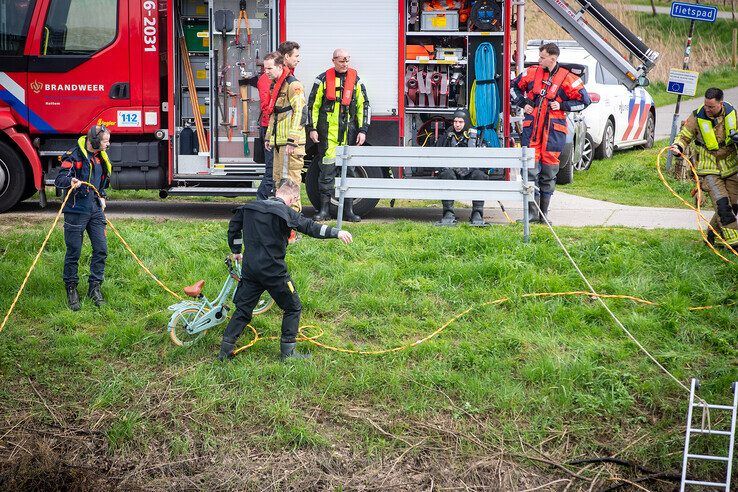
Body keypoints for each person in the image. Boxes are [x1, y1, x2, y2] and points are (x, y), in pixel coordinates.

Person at [218, 179, 353, 361]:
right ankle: (288, 353)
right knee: (293, 307)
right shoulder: (286, 212)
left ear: (276, 192)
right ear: (294, 197)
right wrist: (336, 232)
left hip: (251, 270)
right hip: (274, 272)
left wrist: (236, 251)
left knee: (243, 310)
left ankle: (225, 352)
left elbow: (233, 228)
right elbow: (310, 227)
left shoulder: (249, 208)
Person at [511, 42, 590, 223]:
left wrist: (562, 105)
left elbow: (585, 101)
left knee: (548, 174)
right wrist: (524, 104)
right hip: (531, 131)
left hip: (553, 133)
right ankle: (530, 215)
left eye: (542, 57)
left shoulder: (568, 79)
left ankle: (543, 215)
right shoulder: (531, 73)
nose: (539, 60)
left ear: (552, 59)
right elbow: (512, 88)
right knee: (529, 173)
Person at [307, 48, 370, 222]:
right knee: (326, 172)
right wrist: (312, 128)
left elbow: (363, 106)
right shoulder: (322, 80)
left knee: (349, 172)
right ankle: (324, 211)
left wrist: (363, 130)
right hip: (327, 135)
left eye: (347, 60)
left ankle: (348, 210)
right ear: (333, 60)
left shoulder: (355, 80)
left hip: (348, 135)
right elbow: (313, 105)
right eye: (342, 60)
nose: (345, 64)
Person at [54, 125, 112, 310]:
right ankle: (71, 289)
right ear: (93, 141)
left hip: (95, 210)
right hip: (75, 210)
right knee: (74, 252)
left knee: (101, 249)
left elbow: (102, 181)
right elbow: (59, 179)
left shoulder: (100, 158)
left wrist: (102, 196)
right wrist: (71, 181)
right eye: (105, 141)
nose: (108, 144)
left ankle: (94, 288)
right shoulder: (73, 155)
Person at [671, 87, 738, 247]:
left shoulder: (732, 113)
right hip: (708, 170)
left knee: (733, 205)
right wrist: (677, 147)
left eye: (711, 107)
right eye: (705, 106)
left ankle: (711, 236)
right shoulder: (697, 117)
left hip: (731, 167)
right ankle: (733, 244)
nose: (707, 109)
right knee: (723, 206)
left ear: (720, 104)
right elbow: (684, 135)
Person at [263, 51, 307, 212]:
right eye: (265, 68)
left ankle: (292, 228)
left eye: (269, 68)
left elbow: (300, 112)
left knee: (290, 184)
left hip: (290, 145)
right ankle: (283, 223)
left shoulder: (293, 85)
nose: (266, 72)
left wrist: (292, 140)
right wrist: (269, 137)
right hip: (279, 143)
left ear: (280, 66)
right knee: (279, 183)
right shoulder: (277, 85)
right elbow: (275, 114)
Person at [434, 109, 488, 226]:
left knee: (480, 175)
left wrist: (472, 168)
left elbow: (485, 162)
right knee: (447, 174)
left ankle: (477, 214)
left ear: (466, 122)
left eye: (461, 122)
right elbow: (438, 156)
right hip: (453, 173)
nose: (457, 124)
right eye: (455, 121)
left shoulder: (477, 138)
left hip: (470, 173)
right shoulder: (447, 137)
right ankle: (448, 213)